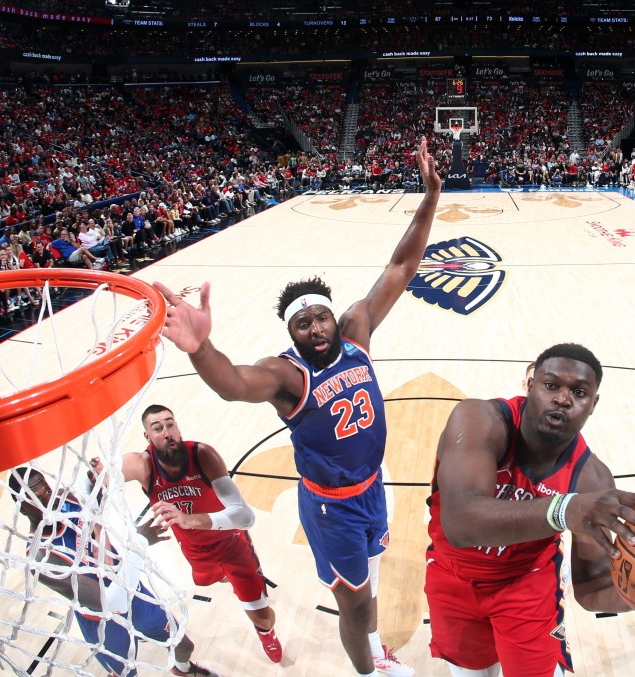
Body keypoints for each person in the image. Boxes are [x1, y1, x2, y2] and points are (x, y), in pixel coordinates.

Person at [153, 137, 441, 677]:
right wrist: (201, 348)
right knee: (355, 605)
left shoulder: (356, 331)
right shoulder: (288, 373)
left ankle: (373, 649)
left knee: (371, 581)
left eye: (319, 319)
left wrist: (429, 196)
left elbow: (401, 267)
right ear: (292, 332)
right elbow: (235, 384)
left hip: (373, 486)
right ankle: (369, 671)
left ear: (333, 319)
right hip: (331, 506)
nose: (314, 328)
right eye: (302, 324)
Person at [425, 343, 635, 677]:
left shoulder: (592, 478)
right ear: (530, 385)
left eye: (579, 392)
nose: (563, 399)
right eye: (552, 385)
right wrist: (565, 508)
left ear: (593, 405)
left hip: (526, 584)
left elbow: (592, 589)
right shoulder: (479, 419)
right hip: (452, 575)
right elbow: (460, 523)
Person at [7, 466, 220, 677]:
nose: (48, 500)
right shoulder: (41, 558)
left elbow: (94, 498)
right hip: (101, 621)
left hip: (132, 593)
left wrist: (97, 476)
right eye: (37, 498)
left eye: (47, 490)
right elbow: (110, 602)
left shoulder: (70, 499)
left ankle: (183, 670)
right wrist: (140, 541)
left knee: (183, 645)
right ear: (22, 507)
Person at [111, 404, 283, 664]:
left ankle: (266, 634)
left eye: (171, 424)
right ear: (147, 436)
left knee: (262, 616)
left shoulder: (202, 454)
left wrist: (190, 520)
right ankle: (229, 578)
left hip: (231, 544)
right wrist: (97, 474)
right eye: (158, 428)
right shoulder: (142, 465)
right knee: (212, 580)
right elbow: (101, 480)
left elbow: (245, 517)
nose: (167, 432)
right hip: (194, 551)